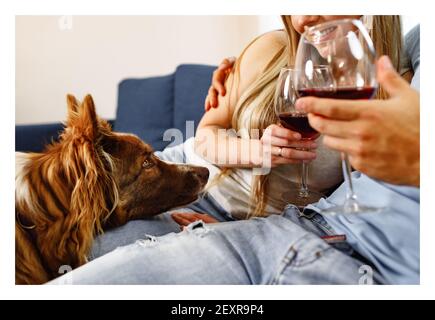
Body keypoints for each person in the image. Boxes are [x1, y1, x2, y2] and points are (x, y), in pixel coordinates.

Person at [49, 23, 420, 285]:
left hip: (250, 223)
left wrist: (237, 230)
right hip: (187, 179)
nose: (305, 18)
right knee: (71, 254)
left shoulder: (393, 88)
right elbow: (207, 133)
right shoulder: (270, 50)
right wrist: (256, 150)